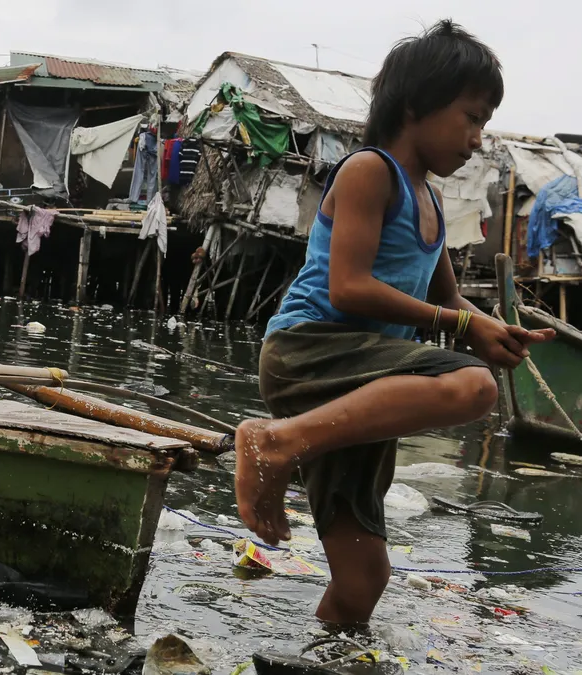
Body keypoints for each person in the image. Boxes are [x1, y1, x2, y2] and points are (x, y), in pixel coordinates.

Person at [234, 20, 554, 625]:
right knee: (471, 385)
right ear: (415, 105)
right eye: (470, 116)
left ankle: (324, 659)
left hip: (363, 383)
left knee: (363, 581)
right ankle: (272, 443)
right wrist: (463, 333)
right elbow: (349, 287)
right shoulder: (368, 171)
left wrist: (487, 328)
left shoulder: (430, 199)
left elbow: (450, 303)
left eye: (483, 122)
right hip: (312, 351)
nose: (477, 138)